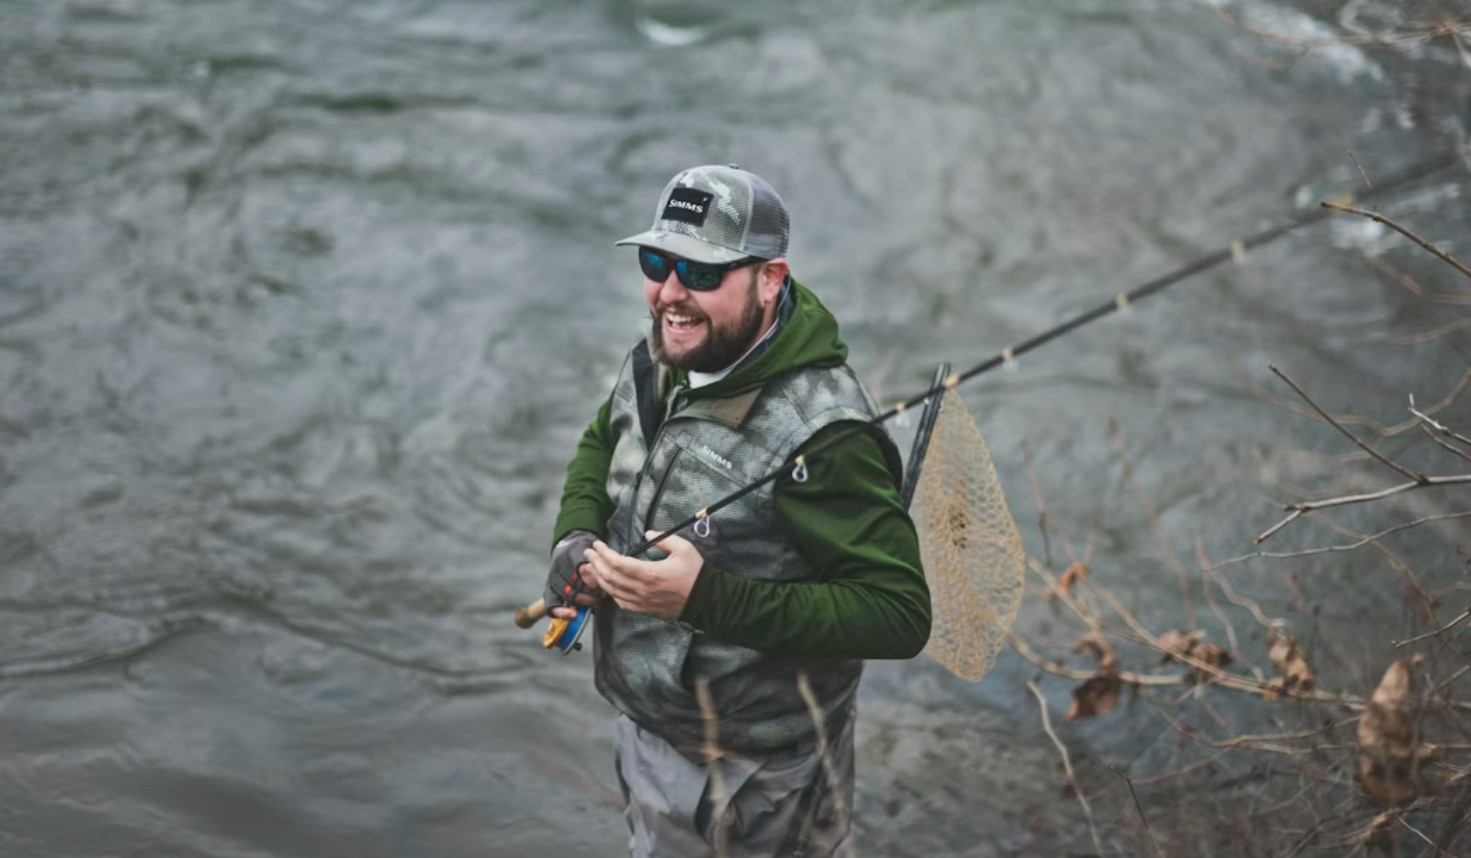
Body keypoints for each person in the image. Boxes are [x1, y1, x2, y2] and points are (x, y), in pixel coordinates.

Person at [542, 164, 930, 857]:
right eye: (656, 262)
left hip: (761, 773)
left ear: (770, 278)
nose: (670, 292)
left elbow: (898, 615)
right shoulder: (666, 349)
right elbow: (603, 439)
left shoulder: (827, 437)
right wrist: (575, 534)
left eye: (700, 271)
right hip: (651, 724)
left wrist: (704, 598)